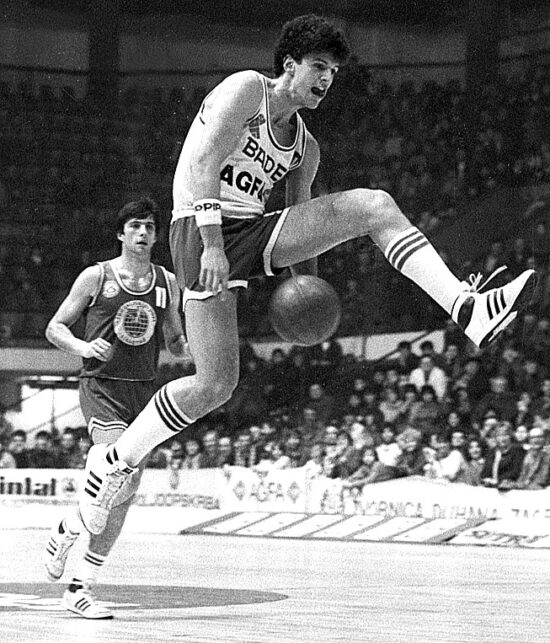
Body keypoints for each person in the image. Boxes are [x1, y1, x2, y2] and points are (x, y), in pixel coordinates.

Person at [76, 14, 536, 542]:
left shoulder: (305, 147)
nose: (326, 79)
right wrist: (212, 246)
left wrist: (309, 299)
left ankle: (467, 307)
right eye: (319, 66)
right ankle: (115, 460)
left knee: (375, 206)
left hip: (252, 230)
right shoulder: (246, 90)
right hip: (199, 229)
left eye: (333, 72)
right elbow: (202, 165)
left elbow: (301, 224)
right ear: (289, 65)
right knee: (214, 384)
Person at [42, 197, 187, 619]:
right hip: (102, 386)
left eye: (150, 227)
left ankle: (76, 569)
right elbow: (55, 328)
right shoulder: (96, 276)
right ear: (121, 233)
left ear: (156, 236)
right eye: (136, 226)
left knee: (124, 493)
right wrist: (83, 347)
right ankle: (76, 541)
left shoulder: (167, 282)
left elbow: (175, 341)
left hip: (143, 393)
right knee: (113, 462)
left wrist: (197, 346)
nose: (143, 233)